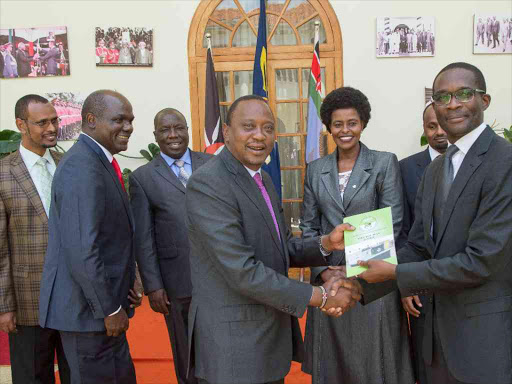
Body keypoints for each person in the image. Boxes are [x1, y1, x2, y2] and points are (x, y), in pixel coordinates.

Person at [185, 95, 362, 384]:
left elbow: (280, 249)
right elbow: (242, 271)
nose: (259, 136)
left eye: (268, 128)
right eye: (249, 126)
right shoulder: (209, 184)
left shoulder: (262, 179)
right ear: (227, 132)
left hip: (266, 338)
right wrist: (320, 296)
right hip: (235, 347)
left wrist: (327, 243)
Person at [358, 62, 512, 384]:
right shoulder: (435, 169)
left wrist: (397, 273)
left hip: (482, 343)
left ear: (484, 101)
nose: (452, 104)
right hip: (432, 341)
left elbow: (481, 261)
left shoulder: (504, 162)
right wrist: (357, 283)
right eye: (442, 97)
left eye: (464, 94)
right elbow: (418, 245)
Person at [299, 87, 414, 384]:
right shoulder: (315, 170)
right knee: (333, 367)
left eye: (352, 122)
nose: (345, 130)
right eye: (338, 124)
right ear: (328, 127)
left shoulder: (383, 162)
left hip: (371, 281)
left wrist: (355, 273)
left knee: (373, 366)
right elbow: (309, 227)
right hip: (330, 284)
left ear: (363, 123)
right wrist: (324, 273)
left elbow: (393, 222)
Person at [39, 90, 142, 384]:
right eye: (119, 120)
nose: (128, 127)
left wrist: (127, 283)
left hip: (101, 309)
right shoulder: (81, 166)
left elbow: (111, 238)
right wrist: (109, 308)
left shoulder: (98, 161)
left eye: (130, 120)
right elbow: (84, 249)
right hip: (89, 315)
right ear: (91, 120)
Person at [130, 108, 212, 384]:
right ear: (156, 135)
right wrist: (153, 286)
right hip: (176, 282)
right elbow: (143, 237)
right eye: (165, 130)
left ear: (188, 129)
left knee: (220, 348)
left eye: (179, 128)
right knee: (185, 352)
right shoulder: (143, 178)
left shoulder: (212, 164)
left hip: (219, 277)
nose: (173, 135)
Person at [0, 95, 71, 384]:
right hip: (28, 302)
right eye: (42, 123)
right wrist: (4, 306)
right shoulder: (3, 172)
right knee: (32, 377)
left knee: (76, 375)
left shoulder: (67, 164)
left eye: (54, 120)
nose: (52, 128)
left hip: (72, 299)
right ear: (21, 125)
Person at [398, 101, 447, 384]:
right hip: (419, 284)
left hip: (461, 282)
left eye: (442, 124)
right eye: (432, 126)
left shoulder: (471, 166)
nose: (439, 132)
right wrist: (406, 282)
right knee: (425, 363)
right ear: (424, 128)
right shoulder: (405, 168)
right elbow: (402, 230)